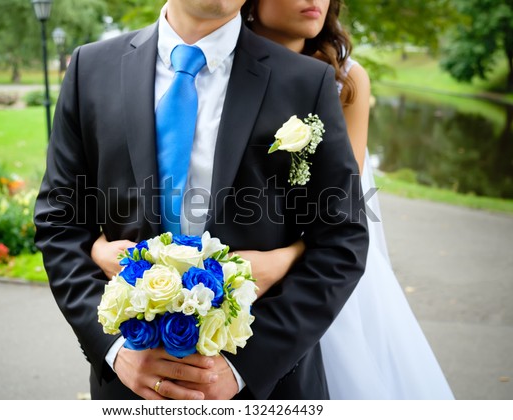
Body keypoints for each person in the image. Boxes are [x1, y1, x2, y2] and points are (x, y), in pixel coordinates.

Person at [93, 0, 454, 400]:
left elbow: (342, 218)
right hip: (138, 357)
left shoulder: (320, 81)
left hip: (286, 315)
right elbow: (69, 214)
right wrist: (98, 251)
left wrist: (286, 259)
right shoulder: (101, 67)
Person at [34, 0, 368, 400]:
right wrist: (116, 349)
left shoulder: (305, 82)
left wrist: (243, 367)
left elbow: (342, 239)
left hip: (268, 388)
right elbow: (60, 222)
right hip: (128, 385)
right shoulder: (90, 69)